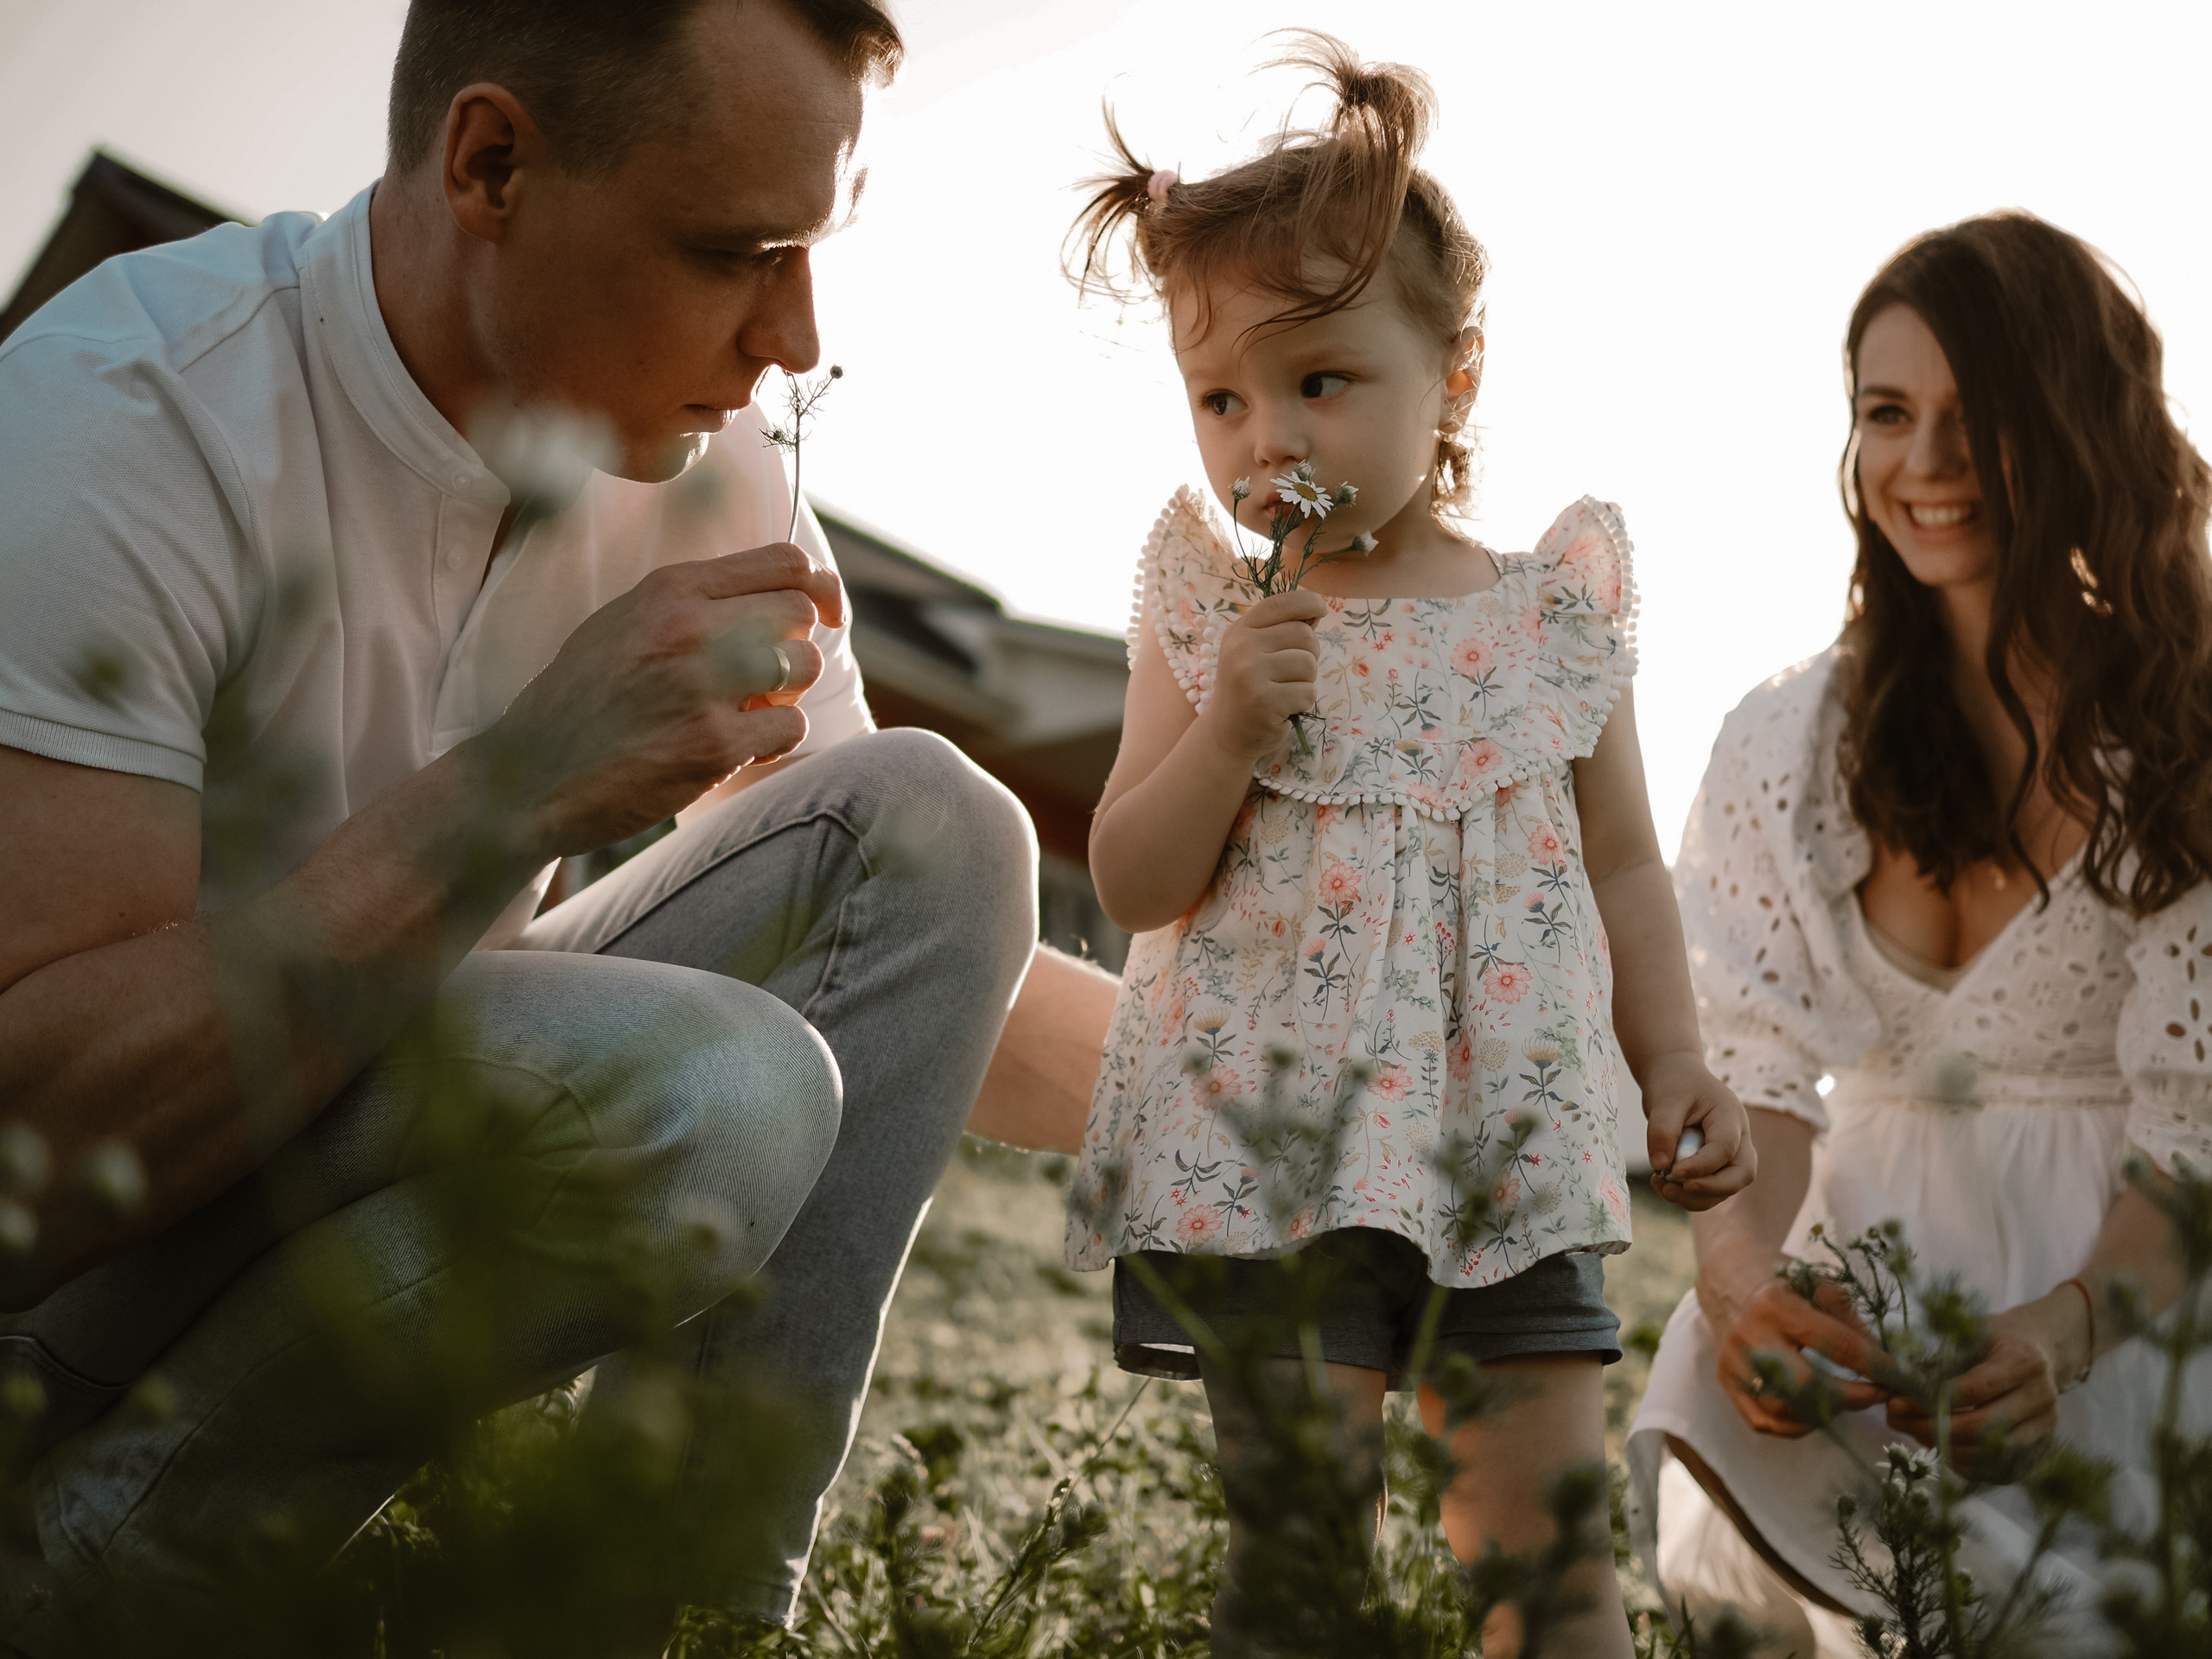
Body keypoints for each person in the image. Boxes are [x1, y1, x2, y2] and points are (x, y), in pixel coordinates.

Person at [0, 1, 1116, 1648]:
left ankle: (673, 1619)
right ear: (493, 164)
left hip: (330, 1141)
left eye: (814, 251)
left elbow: (898, 954)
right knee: (716, 1092)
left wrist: (1301, 1119)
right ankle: (94, 1583)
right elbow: (35, 1146)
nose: (795, 338)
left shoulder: (701, 455)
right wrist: (516, 790)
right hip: (58, 1308)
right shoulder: (126, 419)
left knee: (938, 824)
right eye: (738, 250)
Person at [1058, 37, 1758, 1658]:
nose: (1260, 438)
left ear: (1456, 377)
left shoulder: (1544, 619)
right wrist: (1229, 731)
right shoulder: (1210, 617)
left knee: (1547, 1566)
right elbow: (1132, 881)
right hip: (1272, 1158)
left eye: (1319, 381)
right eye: (1220, 397)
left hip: (1506, 1141)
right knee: (1300, 1563)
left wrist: (1673, 1065)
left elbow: (1627, 869)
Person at [1627, 213, 2212, 1658]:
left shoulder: (2188, 736)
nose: (1926, 460)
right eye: (1889, 414)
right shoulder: (1786, 740)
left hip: (2126, 1313)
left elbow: (2199, 1131)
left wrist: (2066, 1334)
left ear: (2077, 427)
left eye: (1979, 414)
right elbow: (1755, 1061)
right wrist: (1742, 1275)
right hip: (1870, 1322)